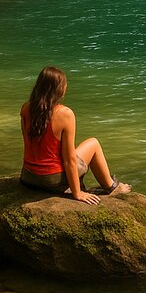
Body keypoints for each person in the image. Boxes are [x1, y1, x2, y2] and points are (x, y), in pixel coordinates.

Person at [20, 66, 131, 204]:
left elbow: (29, 145)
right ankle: (111, 187)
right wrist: (77, 192)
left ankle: (104, 185)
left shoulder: (25, 109)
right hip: (52, 180)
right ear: (59, 89)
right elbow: (69, 159)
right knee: (94, 143)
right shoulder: (65, 114)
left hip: (28, 177)